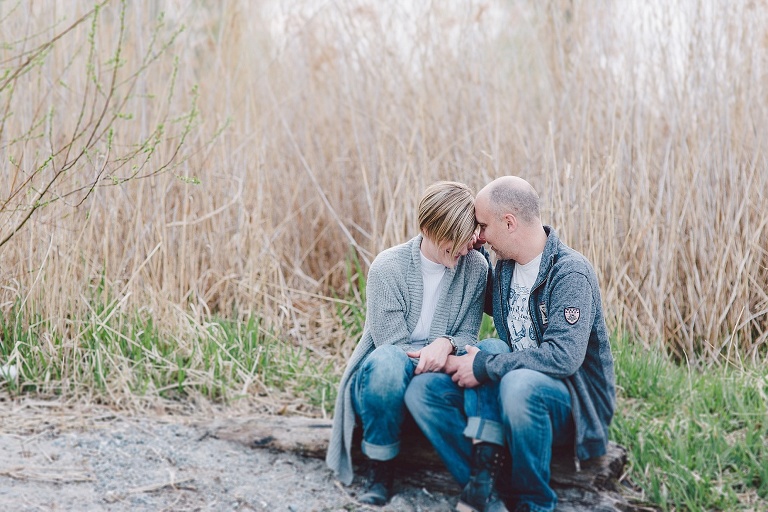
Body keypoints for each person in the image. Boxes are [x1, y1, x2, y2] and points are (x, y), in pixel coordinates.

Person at [406, 176, 616, 512]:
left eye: (483, 227)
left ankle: (535, 502)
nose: (480, 235)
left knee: (513, 379)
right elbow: (469, 301)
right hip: (510, 391)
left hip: (570, 403)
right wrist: (464, 246)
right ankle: (487, 490)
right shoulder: (504, 270)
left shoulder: (569, 273)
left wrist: (485, 366)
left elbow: (564, 358)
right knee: (424, 392)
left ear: (509, 222)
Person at [325, 181, 491, 505]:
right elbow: (391, 344)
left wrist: (445, 343)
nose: (462, 248)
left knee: (488, 353)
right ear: (428, 229)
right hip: (384, 373)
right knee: (388, 362)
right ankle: (380, 467)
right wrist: (436, 351)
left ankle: (483, 471)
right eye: (452, 241)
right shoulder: (387, 268)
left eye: (466, 237)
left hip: (440, 371)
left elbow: (469, 335)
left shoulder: (476, 268)